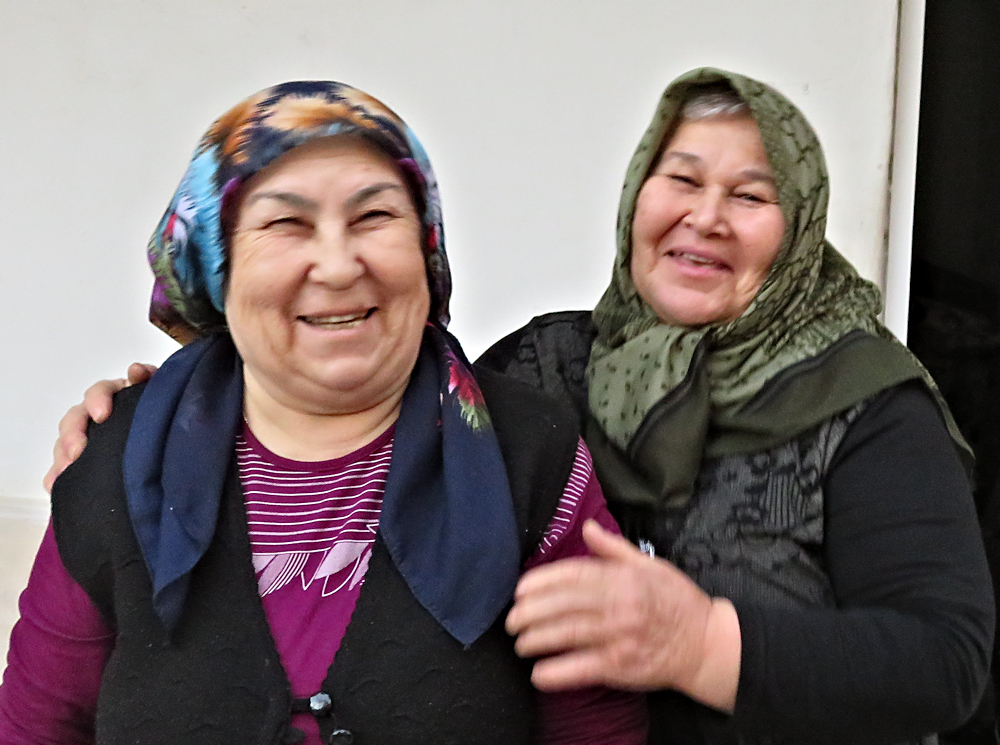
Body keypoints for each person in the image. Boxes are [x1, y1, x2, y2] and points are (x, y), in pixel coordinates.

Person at [42, 69, 996, 744]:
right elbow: (365, 380)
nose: (706, 216)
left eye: (751, 193)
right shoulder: (546, 367)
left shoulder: (868, 404)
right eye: (683, 179)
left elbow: (944, 666)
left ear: (802, 226)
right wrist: (148, 422)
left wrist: (701, 642)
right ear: (636, 198)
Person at [0, 81, 647, 744]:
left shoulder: (529, 454)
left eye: (374, 217)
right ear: (216, 268)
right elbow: (34, 726)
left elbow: (599, 728)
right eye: (287, 223)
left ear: (426, 249)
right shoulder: (124, 455)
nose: (338, 265)